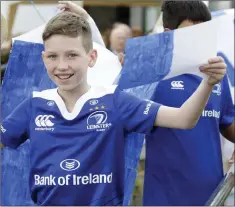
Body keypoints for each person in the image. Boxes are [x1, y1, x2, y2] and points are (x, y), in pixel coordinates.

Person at [0, 3, 227, 207]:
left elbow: (183, 119)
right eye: (53, 57)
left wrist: (208, 83)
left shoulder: (115, 100)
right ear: (43, 58)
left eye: (71, 55)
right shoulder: (34, 104)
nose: (62, 66)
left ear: (91, 58)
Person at [142, 1, 235, 206]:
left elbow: (228, 123)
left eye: (204, 32)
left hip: (211, 195)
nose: (199, 40)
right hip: (164, 198)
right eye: (191, 33)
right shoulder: (149, 75)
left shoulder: (217, 73)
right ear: (169, 33)